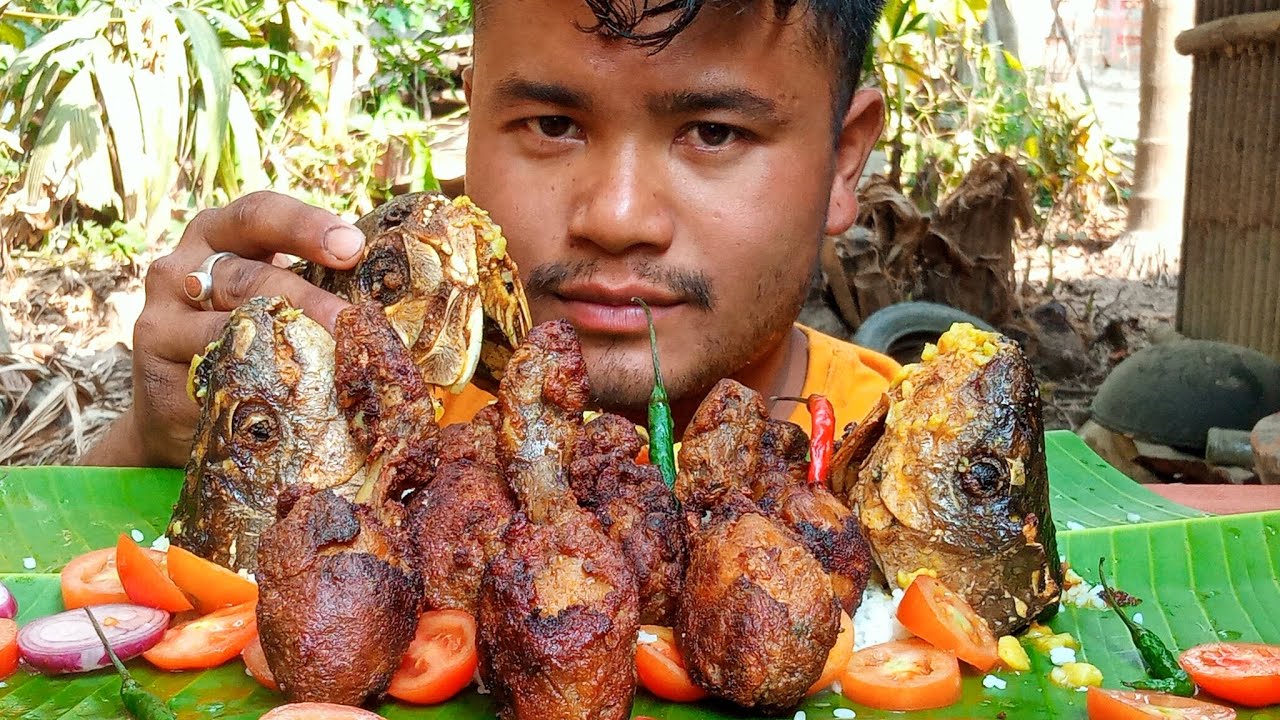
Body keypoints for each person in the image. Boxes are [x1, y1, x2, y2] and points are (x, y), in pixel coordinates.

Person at [80, 0, 898, 468]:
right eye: (552, 122)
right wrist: (158, 444)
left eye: (713, 133)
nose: (615, 219)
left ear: (841, 164)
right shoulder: (342, 422)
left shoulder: (921, 462)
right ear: (470, 119)